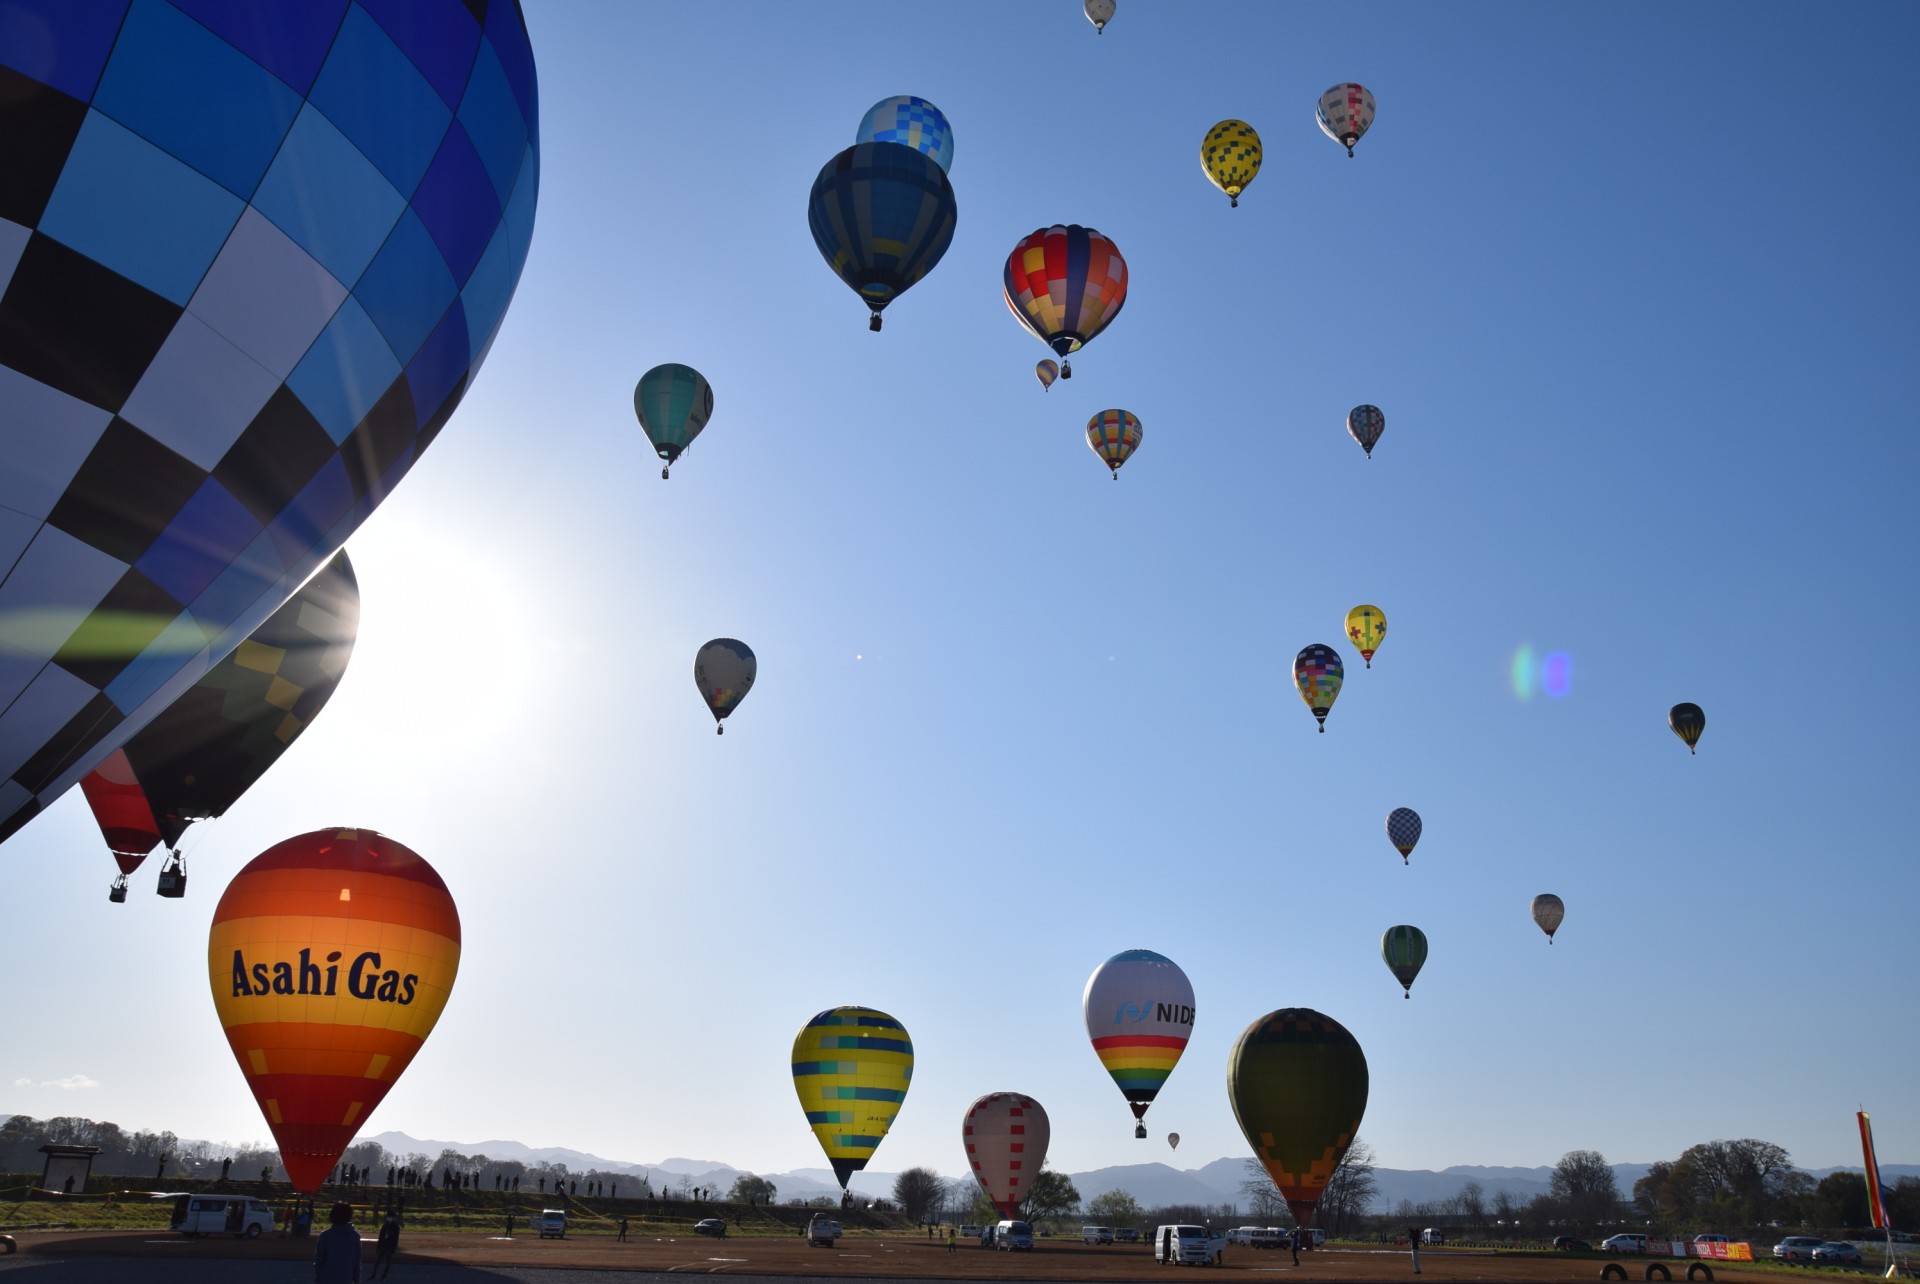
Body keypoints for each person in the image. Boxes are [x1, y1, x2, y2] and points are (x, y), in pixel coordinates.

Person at [315, 1201, 361, 1284]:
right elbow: (357, 1263)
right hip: (346, 1279)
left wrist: (318, 1277)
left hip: (326, 1278)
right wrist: (356, 1280)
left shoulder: (325, 1235)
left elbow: (319, 1261)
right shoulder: (355, 1236)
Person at [371, 1213, 399, 1279]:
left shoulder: (395, 1227)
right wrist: (378, 1247)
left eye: (390, 1217)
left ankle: (383, 1275)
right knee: (377, 1261)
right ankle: (373, 1274)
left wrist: (393, 1248)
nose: (389, 1218)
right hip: (383, 1245)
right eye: (388, 1217)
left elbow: (396, 1239)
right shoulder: (385, 1226)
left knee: (387, 1262)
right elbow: (380, 1237)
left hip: (389, 1246)